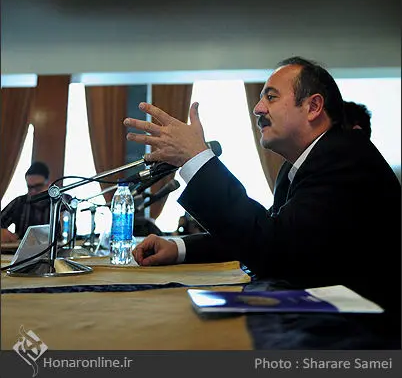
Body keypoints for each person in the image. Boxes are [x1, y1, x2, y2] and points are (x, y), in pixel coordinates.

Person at [124, 57, 401, 311]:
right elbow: (262, 235)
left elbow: (276, 251)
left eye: (271, 97)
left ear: (313, 107)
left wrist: (196, 158)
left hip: (365, 331)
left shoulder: (344, 157)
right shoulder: (298, 165)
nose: (257, 109)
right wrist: (179, 248)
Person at [1, 161, 52, 242]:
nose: (33, 191)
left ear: (49, 184)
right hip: (22, 248)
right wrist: (3, 232)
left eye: (38, 187)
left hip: (56, 248)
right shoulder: (19, 202)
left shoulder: (61, 202)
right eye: (29, 187)